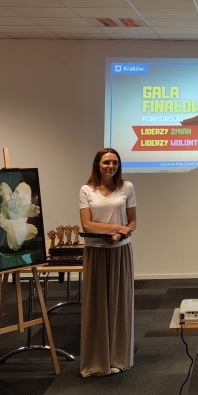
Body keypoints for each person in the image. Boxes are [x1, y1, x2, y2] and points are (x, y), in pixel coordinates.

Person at [78, 147, 136, 377]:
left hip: (120, 251)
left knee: (119, 305)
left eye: (115, 162)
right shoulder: (86, 190)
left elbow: (132, 222)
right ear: (97, 165)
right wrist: (117, 228)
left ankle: (117, 358)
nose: (111, 166)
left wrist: (119, 234)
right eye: (106, 162)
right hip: (96, 251)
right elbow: (87, 225)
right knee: (96, 306)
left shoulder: (127, 187)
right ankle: (97, 360)